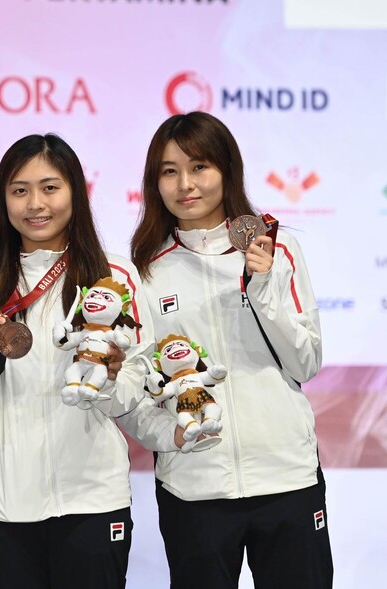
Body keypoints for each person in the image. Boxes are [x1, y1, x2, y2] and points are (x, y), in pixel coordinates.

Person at [124, 111, 333, 588]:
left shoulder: (275, 249)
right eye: (169, 171)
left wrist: (261, 287)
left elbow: (306, 361)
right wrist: (168, 438)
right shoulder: (144, 270)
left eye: (199, 167)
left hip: (286, 478)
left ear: (227, 170)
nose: (185, 185)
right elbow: (134, 387)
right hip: (194, 485)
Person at [0, 133, 155, 588]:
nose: (35, 204)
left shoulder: (114, 277)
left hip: (92, 496)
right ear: (3, 199)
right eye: (19, 190)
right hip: (1, 500)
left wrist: (112, 375)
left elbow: (134, 393)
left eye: (50, 187)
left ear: (75, 194)